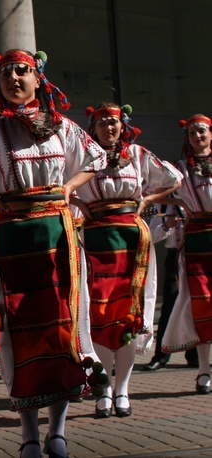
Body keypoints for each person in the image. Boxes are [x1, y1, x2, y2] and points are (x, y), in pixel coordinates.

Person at [0, 50, 107, 458]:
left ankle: (57, 431)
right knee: (20, 335)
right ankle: (28, 434)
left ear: (39, 79)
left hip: (57, 235)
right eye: (6, 74)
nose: (14, 78)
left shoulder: (62, 127)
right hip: (15, 236)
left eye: (23, 72)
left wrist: (69, 188)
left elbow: (97, 158)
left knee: (61, 329)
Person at [76, 103, 181, 419]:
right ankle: (103, 389)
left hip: (132, 240)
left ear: (124, 125)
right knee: (99, 314)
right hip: (94, 240)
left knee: (127, 316)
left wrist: (147, 199)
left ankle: (122, 389)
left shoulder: (136, 154)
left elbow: (173, 178)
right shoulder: (83, 156)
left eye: (115, 122)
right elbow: (59, 185)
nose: (110, 128)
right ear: (93, 127)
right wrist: (80, 201)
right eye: (103, 123)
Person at [160, 114, 212, 395]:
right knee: (202, 306)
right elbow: (150, 191)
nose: (197, 136)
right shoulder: (180, 169)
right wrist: (177, 200)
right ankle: (203, 371)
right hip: (197, 243)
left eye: (202, 131)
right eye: (192, 133)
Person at [145, 201, 198, 370]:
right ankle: (161, 356)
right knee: (169, 305)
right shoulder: (162, 205)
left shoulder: (197, 200)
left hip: (196, 253)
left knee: (197, 304)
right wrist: (167, 225)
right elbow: (151, 236)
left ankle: (194, 355)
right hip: (174, 257)